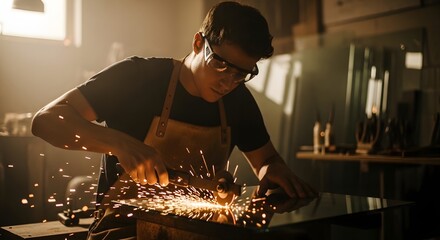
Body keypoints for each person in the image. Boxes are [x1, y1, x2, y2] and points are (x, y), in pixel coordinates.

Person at [32, 1, 317, 239]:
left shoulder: (238, 100)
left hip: (201, 230)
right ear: (197, 43)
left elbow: (265, 161)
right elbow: (46, 121)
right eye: (220, 64)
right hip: (123, 231)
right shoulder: (138, 78)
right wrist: (121, 144)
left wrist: (274, 171)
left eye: (241, 73)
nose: (228, 82)